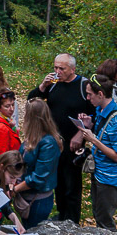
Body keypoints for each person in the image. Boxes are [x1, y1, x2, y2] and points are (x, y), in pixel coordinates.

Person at [27, 54, 94, 223]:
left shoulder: (83, 85)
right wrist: (43, 86)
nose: (57, 71)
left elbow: (94, 114)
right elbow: (32, 100)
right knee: (58, 180)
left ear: (73, 69)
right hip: (53, 142)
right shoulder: (53, 85)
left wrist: (81, 133)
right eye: (55, 67)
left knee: (71, 182)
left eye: (61, 68)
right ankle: (62, 214)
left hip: (73, 143)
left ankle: (72, 220)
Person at [70, 75, 117, 232]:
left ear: (101, 94)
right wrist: (89, 124)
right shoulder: (100, 110)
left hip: (110, 177)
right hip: (99, 172)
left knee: (105, 220)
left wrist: (93, 140)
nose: (87, 98)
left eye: (90, 94)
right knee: (98, 212)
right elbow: (104, 134)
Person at [11, 99, 62, 228]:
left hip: (38, 200)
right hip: (27, 196)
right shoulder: (32, 138)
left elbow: (39, 178)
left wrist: (15, 189)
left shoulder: (48, 143)